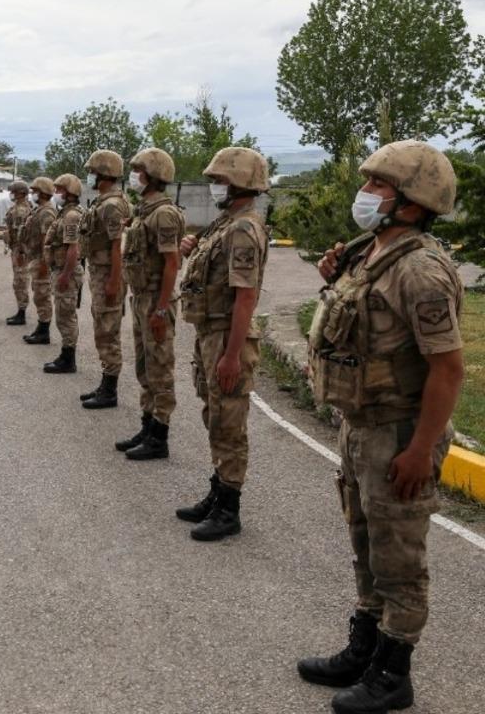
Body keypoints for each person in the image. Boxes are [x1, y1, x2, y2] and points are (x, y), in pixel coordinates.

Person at [297, 140, 464, 714]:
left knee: (399, 558)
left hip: (398, 430)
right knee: (365, 544)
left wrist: (421, 449)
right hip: (360, 425)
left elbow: (448, 368)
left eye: (378, 186)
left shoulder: (421, 270)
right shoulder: (371, 252)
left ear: (413, 203)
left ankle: (394, 674)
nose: (365, 193)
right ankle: (364, 648)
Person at [175, 147, 270, 540]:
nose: (214, 187)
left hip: (228, 337)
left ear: (240, 182)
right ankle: (218, 491)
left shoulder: (245, 228)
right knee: (214, 416)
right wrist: (192, 251)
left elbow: (246, 296)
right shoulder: (225, 223)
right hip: (210, 333)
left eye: (219, 180)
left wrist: (232, 355)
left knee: (229, 423)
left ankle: (229, 508)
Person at [116, 148, 185, 460]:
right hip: (141, 297)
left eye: (139, 171)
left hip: (157, 299)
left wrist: (160, 309)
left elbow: (172, 263)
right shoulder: (144, 210)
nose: (134, 176)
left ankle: (160, 434)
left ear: (153, 176)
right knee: (145, 367)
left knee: (160, 369)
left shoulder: (164, 214)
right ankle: (147, 425)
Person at [79, 150, 131, 410]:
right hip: (100, 274)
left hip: (108, 275)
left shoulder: (111, 205)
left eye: (92, 172)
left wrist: (114, 281)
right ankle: (105, 384)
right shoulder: (103, 201)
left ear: (103, 174)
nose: (89, 176)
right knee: (102, 329)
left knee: (108, 332)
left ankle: (110, 391)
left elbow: (117, 245)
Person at [41, 174, 86, 373]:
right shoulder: (65, 212)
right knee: (63, 314)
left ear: (69, 193)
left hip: (66, 271)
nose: (56, 194)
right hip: (60, 269)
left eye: (59, 190)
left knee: (66, 316)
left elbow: (73, 248)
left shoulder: (71, 216)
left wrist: (65, 276)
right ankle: (66, 355)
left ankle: (68, 359)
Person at [21, 177, 59, 345]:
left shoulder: (47, 212)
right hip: (35, 259)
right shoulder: (40, 209)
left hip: (41, 260)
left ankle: (44, 331)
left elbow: (47, 240)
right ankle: (41, 327)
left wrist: (44, 264)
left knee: (42, 296)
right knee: (38, 295)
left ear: (43, 193)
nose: (32, 194)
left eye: (35, 191)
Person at [2, 180, 33, 325]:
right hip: (17, 249)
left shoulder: (21, 210)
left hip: (20, 250)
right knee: (19, 281)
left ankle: (21, 313)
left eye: (14, 192)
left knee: (20, 281)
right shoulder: (20, 208)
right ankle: (20, 311)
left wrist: (20, 253)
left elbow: (20, 233)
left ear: (21, 193)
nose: (12, 194)